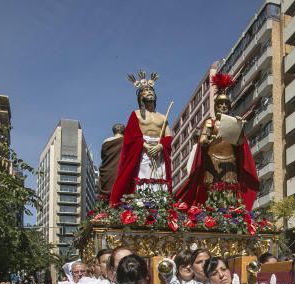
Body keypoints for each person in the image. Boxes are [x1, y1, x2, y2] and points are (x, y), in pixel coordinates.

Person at [176, 72, 259, 211]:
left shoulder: (234, 122)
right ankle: (213, 214)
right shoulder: (210, 122)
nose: (223, 106)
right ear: (216, 106)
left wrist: (239, 127)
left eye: (226, 104)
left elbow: (239, 144)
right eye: (220, 104)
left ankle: (228, 215)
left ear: (229, 106)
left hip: (229, 161)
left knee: (229, 189)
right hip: (212, 161)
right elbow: (203, 141)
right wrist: (213, 139)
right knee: (212, 189)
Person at [108, 70, 174, 205]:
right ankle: (141, 203)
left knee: (159, 175)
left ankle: (159, 203)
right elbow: (131, 136)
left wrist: (160, 146)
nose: (149, 92)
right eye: (145, 91)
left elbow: (169, 136)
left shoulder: (163, 117)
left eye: (151, 90)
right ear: (140, 97)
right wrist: (144, 145)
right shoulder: (136, 114)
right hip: (142, 150)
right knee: (143, 174)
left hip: (158, 150)